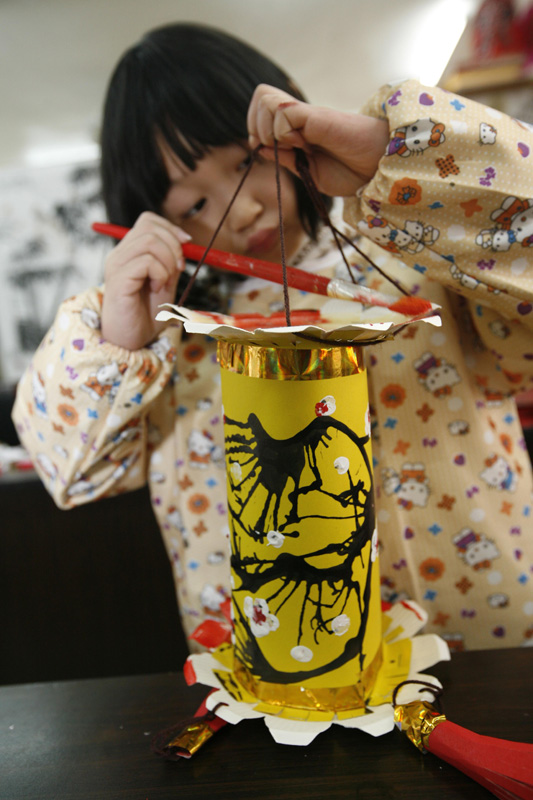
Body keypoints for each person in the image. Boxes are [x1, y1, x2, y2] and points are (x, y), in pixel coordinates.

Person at [12, 23, 533, 652]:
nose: (240, 210)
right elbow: (72, 474)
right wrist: (122, 339)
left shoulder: (419, 254)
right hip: (280, 669)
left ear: (290, 131)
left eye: (245, 163)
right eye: (193, 207)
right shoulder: (167, 336)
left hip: (481, 638)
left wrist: (395, 161)